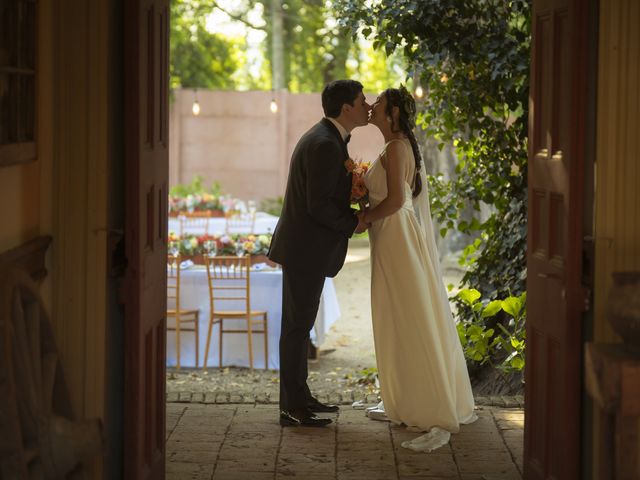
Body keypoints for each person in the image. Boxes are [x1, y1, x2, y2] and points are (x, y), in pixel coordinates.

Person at [360, 85, 477, 451]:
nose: (372, 106)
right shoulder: (393, 147)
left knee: (406, 314)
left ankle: (424, 400)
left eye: (378, 103)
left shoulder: (396, 148)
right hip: (392, 234)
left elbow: (396, 200)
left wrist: (364, 218)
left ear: (393, 114)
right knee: (397, 314)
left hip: (395, 235)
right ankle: (405, 397)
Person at [268, 80, 370, 427]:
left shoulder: (326, 138)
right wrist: (353, 222)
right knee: (296, 328)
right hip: (304, 249)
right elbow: (317, 206)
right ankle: (291, 408)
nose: (367, 106)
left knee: (300, 327)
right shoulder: (325, 143)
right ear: (346, 108)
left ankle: (300, 397)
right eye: (362, 101)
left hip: (304, 248)